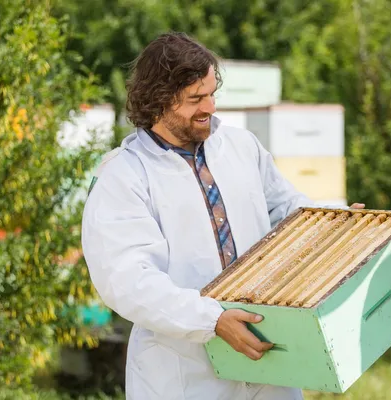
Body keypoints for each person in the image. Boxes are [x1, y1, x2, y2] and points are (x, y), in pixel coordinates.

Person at [81, 32, 364, 400]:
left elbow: (286, 210)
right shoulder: (124, 176)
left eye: (212, 94)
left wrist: (335, 223)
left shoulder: (240, 146)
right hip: (183, 376)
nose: (210, 107)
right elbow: (128, 281)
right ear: (158, 101)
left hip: (268, 361)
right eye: (196, 99)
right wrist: (212, 320)